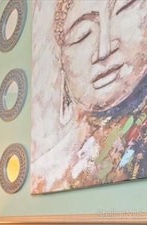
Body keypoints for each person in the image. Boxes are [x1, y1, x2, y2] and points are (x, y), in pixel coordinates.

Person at [33, 0, 147, 192]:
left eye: (124, 8)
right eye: (82, 35)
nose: (104, 50)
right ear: (62, 63)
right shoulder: (49, 171)